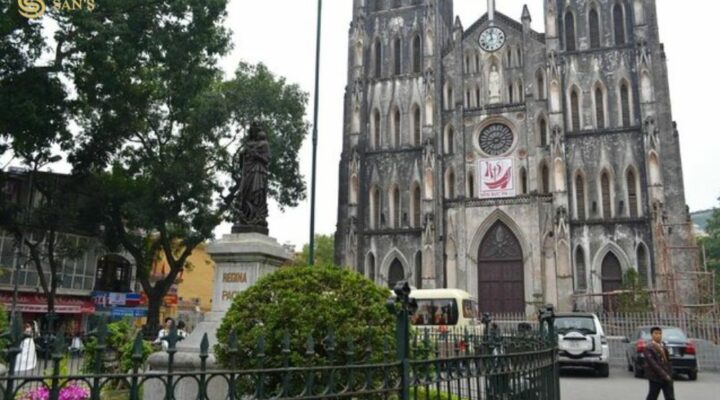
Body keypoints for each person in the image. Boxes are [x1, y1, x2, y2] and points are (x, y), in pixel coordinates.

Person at [643, 326, 675, 400]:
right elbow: (653, 364)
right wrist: (664, 375)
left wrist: (670, 373)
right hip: (655, 377)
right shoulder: (649, 347)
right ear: (652, 335)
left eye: (660, 333)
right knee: (652, 396)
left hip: (667, 375)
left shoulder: (663, 345)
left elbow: (667, 360)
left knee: (670, 397)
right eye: (656, 333)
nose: (658, 335)